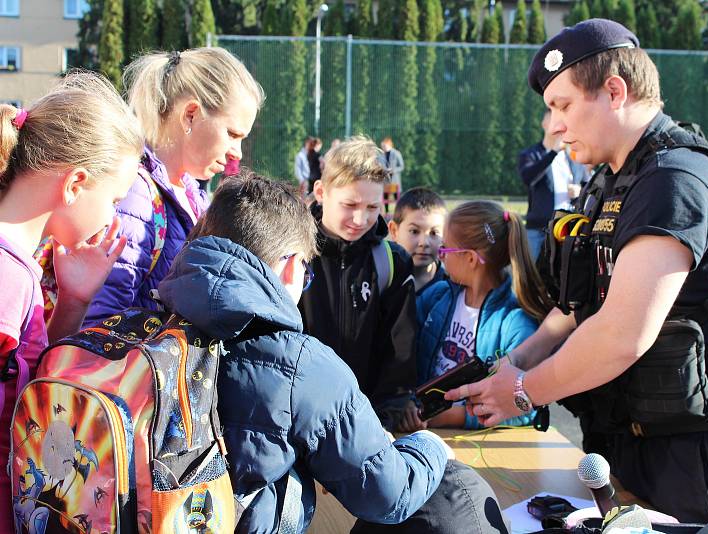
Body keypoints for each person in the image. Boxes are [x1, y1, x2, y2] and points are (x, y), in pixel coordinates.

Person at [447, 18, 708, 523]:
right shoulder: (611, 182)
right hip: (646, 440)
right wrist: (516, 362)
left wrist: (523, 391)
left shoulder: (675, 180)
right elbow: (573, 311)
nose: (553, 126)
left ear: (614, 91)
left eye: (562, 106)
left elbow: (621, 334)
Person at [157, 172, 510, 534]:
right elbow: (390, 496)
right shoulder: (301, 365)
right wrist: (430, 445)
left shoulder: (147, 325)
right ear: (292, 265)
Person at [0, 73, 145, 533]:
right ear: (75, 183)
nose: (114, 216)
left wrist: (74, 300)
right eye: (116, 199)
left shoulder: (18, 268)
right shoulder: (8, 275)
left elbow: (28, 383)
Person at [82, 47, 262, 326]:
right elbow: (99, 324)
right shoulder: (135, 195)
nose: (237, 152)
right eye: (232, 134)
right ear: (191, 114)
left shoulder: (193, 196)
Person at [298, 136, 419, 432]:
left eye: (372, 207)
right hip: (298, 422)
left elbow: (400, 352)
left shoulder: (391, 262)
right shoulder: (292, 256)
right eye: (349, 204)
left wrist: (380, 425)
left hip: (367, 425)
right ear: (321, 191)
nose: (360, 218)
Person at [412, 201, 551, 432]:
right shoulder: (437, 297)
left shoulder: (515, 323)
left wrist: (451, 417)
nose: (440, 257)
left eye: (445, 249)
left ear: (470, 258)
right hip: (423, 434)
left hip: (475, 446)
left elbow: (525, 407)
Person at [518, 109, 588, 260]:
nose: (559, 126)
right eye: (553, 120)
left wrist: (580, 190)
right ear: (544, 124)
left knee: (562, 279)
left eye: (562, 121)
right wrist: (553, 152)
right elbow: (529, 178)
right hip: (538, 230)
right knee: (533, 277)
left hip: (566, 229)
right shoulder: (530, 154)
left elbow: (589, 187)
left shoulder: (573, 158)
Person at [388, 187, 448, 294]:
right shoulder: (381, 279)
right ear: (394, 231)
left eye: (434, 233)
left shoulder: (450, 289)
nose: (424, 243)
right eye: (414, 231)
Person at [380, 137, 405, 213]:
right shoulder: (381, 154)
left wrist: (394, 170)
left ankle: (398, 212)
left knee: (396, 198)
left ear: (389, 145)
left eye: (384, 146)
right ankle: (387, 212)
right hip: (385, 181)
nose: (383, 147)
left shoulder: (396, 153)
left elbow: (401, 166)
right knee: (385, 197)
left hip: (394, 181)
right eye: (382, 146)